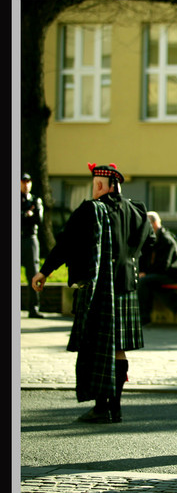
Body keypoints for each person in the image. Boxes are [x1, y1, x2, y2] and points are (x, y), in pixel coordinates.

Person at [32, 163, 154, 423]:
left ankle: (101, 409)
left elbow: (65, 242)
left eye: (96, 183)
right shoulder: (138, 210)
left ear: (103, 185)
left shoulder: (91, 209)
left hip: (100, 290)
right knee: (118, 349)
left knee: (96, 347)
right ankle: (116, 408)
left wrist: (44, 271)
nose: (94, 188)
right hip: (126, 287)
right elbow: (150, 241)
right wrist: (131, 262)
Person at [137, 211, 177, 325]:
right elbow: (143, 258)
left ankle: (144, 316)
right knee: (139, 280)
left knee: (143, 282)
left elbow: (164, 265)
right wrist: (142, 271)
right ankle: (140, 315)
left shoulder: (166, 240)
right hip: (156, 273)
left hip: (170, 274)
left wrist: (146, 273)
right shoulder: (150, 238)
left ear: (154, 224)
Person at [21, 173, 45, 318]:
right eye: (23, 181)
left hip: (30, 239)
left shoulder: (36, 200)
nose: (26, 184)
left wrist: (28, 215)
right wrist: (26, 214)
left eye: (28, 181)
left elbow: (39, 219)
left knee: (34, 274)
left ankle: (34, 308)